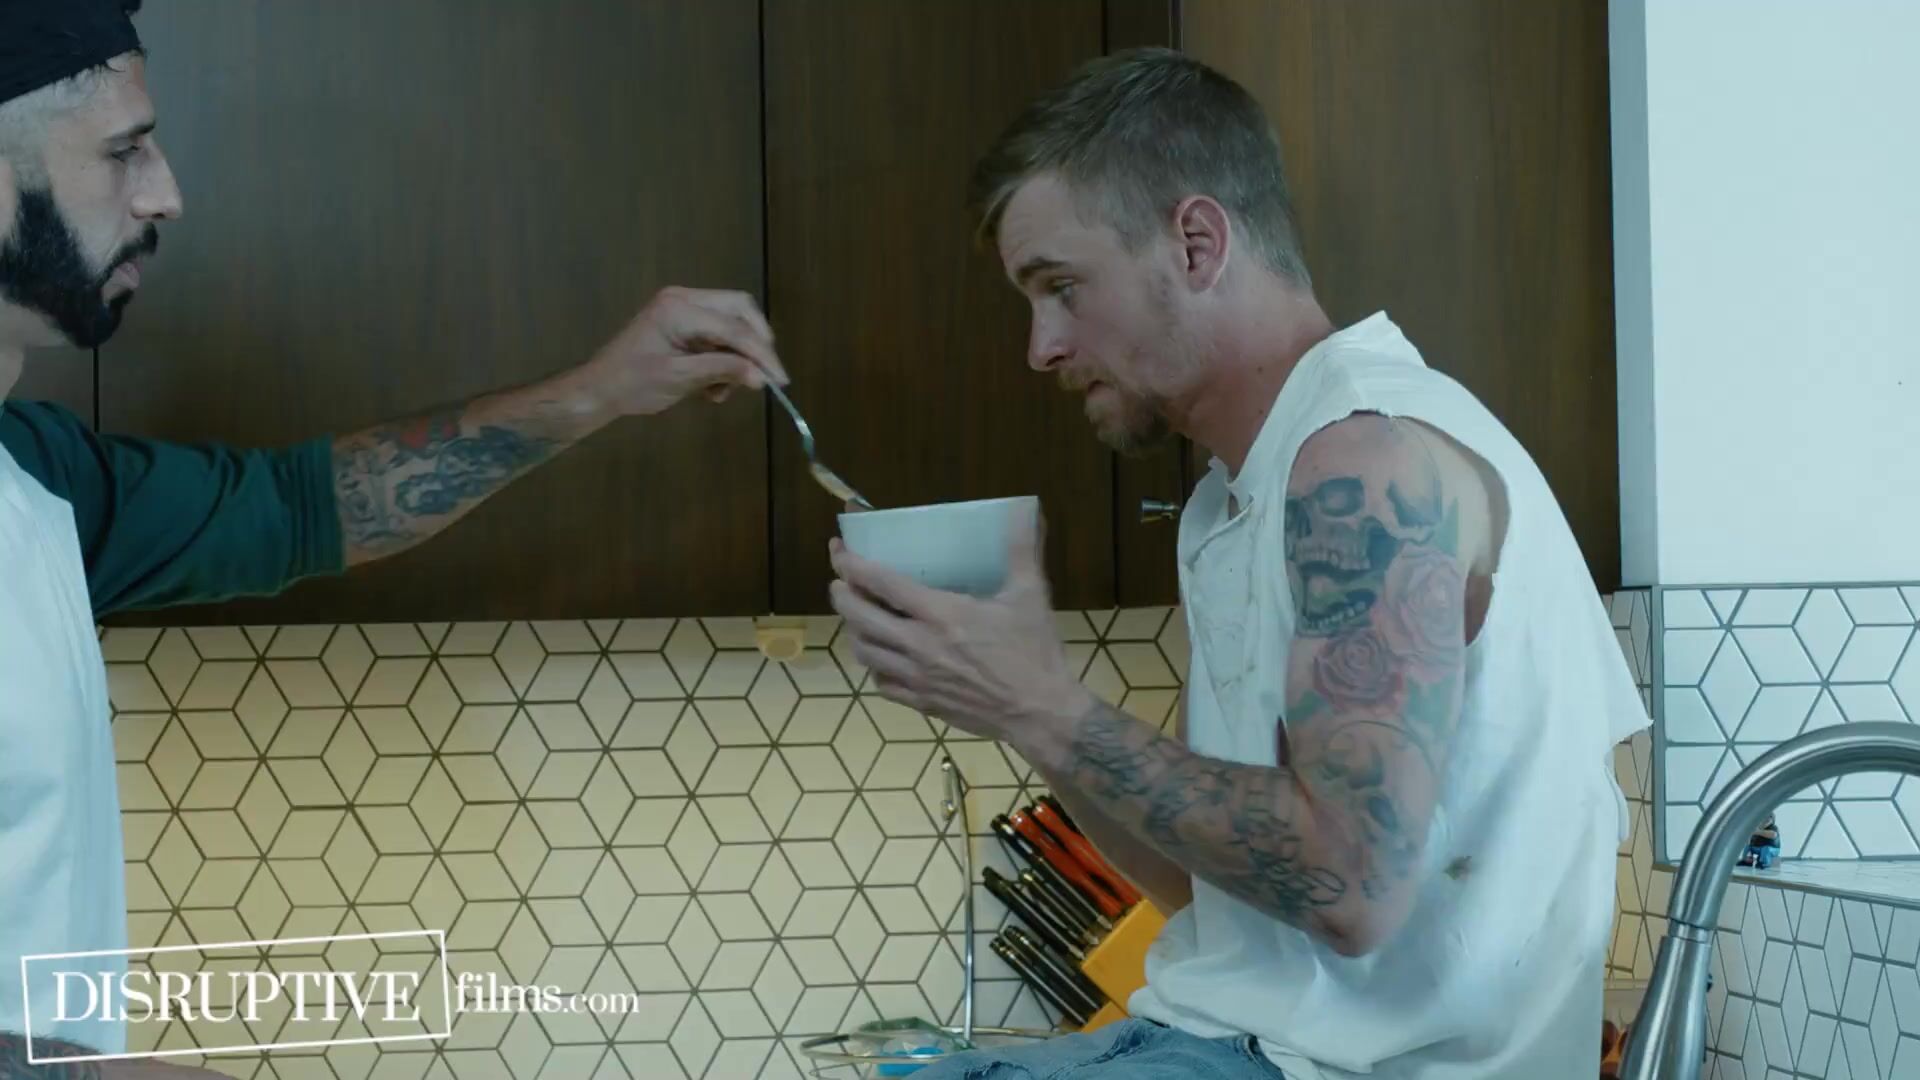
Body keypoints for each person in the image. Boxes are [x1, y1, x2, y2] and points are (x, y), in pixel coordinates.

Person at [828, 47, 1648, 1079]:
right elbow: (1217, 889)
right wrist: (1020, 708)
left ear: (1198, 243)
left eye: (1062, 288)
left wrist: (1046, 705)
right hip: (1226, 1043)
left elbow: (1349, 887)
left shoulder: (1365, 462)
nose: (1041, 346)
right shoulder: (1235, 495)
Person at [0, 1, 784, 1072]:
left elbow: (301, 507)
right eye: (123, 151)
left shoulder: (43, 480)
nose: (166, 192)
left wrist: (602, 391)